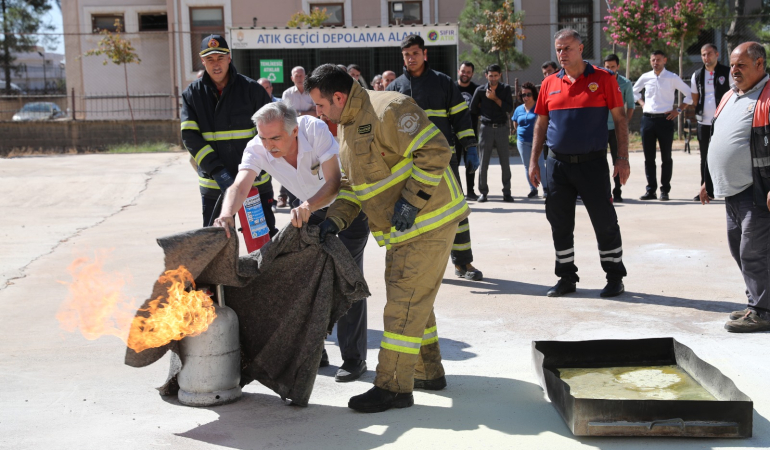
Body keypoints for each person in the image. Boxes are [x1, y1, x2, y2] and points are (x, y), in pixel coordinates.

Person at [306, 64, 469, 412]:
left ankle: (393, 386)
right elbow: (353, 184)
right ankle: (427, 371)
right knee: (413, 299)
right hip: (404, 230)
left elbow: (435, 152)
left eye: (320, 105)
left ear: (338, 97)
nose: (317, 113)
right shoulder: (347, 125)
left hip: (428, 221)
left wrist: (410, 203)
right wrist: (334, 220)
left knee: (402, 304)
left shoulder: (389, 109)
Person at [213, 101, 371, 379]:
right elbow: (240, 186)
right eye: (263, 137)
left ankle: (354, 359)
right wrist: (226, 214)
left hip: (346, 207)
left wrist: (308, 205)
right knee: (304, 279)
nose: (268, 145)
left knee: (346, 278)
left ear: (294, 130)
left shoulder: (315, 130)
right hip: (309, 210)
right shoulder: (257, 147)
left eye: (275, 138)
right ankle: (314, 350)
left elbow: (334, 182)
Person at [529, 28, 630, 298]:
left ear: (581, 48)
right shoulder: (549, 83)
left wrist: (622, 158)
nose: (562, 54)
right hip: (557, 166)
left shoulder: (604, 78)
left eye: (568, 48)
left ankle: (615, 277)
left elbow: (620, 119)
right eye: (558, 49)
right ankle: (566, 277)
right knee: (560, 223)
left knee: (605, 222)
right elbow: (541, 123)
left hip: (592, 164)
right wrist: (534, 161)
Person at [387, 34, 483, 282]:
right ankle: (420, 266)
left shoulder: (443, 82)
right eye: (407, 55)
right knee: (413, 213)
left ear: (424, 54)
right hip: (409, 163)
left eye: (415, 53)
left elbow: (460, 116)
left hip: (444, 160)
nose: (411, 58)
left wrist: (470, 146)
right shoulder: (395, 88)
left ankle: (463, 262)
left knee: (456, 211)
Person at [700, 42, 770, 333]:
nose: (734, 70)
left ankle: (763, 311)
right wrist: (708, 180)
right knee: (739, 249)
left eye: (741, 65)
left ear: (760, 64)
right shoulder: (729, 95)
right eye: (732, 65)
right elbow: (718, 139)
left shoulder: (767, 96)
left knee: (753, 252)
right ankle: (758, 303)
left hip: (757, 190)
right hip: (731, 191)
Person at [180, 34, 276, 233]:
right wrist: (217, 171)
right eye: (210, 59)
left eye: (220, 58)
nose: (216, 64)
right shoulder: (193, 94)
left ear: (229, 58)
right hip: (214, 184)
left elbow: (271, 130)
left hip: (254, 182)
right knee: (217, 242)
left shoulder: (252, 90)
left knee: (263, 240)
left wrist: (255, 167)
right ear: (202, 61)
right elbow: (190, 137)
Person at [633, 50, 692, 201]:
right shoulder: (646, 77)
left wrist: (678, 110)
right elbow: (634, 91)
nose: (655, 63)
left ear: (664, 60)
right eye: (653, 60)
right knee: (649, 157)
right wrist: (642, 103)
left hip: (665, 119)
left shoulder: (672, 77)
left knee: (666, 157)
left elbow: (689, 94)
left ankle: (664, 190)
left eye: (658, 60)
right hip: (648, 119)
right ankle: (650, 190)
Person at [691, 43, 729, 201]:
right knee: (705, 157)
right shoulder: (697, 75)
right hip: (704, 123)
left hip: (723, 122)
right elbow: (695, 97)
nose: (706, 57)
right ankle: (706, 189)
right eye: (703, 54)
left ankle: (727, 189)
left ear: (717, 54)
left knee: (725, 155)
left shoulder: (727, 72)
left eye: (709, 54)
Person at [470, 64, 514, 203]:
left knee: (505, 162)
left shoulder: (505, 89)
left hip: (502, 128)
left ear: (500, 75)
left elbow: (509, 108)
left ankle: (507, 192)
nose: (493, 78)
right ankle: (483, 192)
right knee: (483, 162)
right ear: (486, 75)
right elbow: (472, 109)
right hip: (486, 129)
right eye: (490, 76)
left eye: (496, 75)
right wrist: (483, 113)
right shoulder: (480, 90)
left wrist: (495, 98)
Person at [280, 66, 316, 207]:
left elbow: (317, 112)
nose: (300, 78)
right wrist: (308, 111)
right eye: (297, 75)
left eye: (302, 75)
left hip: (310, 133)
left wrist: (297, 113)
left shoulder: (312, 92)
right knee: (290, 165)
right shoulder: (287, 94)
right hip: (292, 134)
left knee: (309, 164)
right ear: (292, 78)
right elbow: (285, 115)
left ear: (306, 76)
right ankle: (287, 197)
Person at [603, 54, 636, 203]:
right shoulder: (600, 81)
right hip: (601, 128)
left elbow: (631, 105)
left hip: (616, 129)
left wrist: (624, 123)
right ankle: (604, 191)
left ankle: (617, 191)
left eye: (613, 67)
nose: (610, 69)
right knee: (600, 162)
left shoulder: (625, 83)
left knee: (618, 160)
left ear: (618, 67)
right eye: (607, 67)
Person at [512, 82, 544, 198]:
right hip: (522, 141)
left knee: (540, 165)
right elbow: (515, 123)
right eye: (523, 95)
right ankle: (533, 189)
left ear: (533, 94)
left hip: (537, 141)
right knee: (527, 165)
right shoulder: (518, 109)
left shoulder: (539, 107)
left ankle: (546, 188)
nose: (526, 97)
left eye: (528, 94)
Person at [456, 61, 480, 200]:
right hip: (454, 132)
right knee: (454, 163)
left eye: (468, 72)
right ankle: (458, 192)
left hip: (471, 132)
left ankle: (470, 191)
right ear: (459, 71)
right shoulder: (452, 88)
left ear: (472, 74)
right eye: (463, 71)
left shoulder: (477, 90)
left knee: (471, 163)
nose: (465, 74)